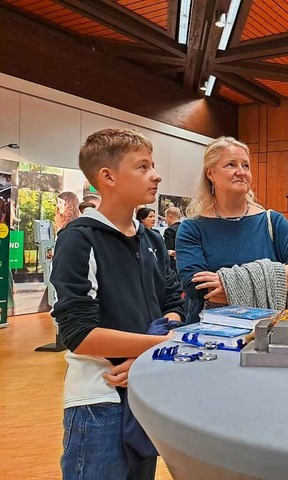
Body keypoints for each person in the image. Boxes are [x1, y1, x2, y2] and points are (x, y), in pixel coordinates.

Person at [50, 128, 185, 480]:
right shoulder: (78, 240)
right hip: (99, 400)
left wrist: (146, 356)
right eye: (142, 167)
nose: (155, 175)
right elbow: (79, 333)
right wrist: (160, 345)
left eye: (153, 165)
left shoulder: (153, 240)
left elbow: (173, 303)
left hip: (145, 392)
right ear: (107, 177)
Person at [175, 136, 288, 323]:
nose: (241, 172)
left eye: (245, 166)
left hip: (270, 334)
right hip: (211, 336)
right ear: (210, 173)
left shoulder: (273, 221)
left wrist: (228, 283)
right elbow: (197, 288)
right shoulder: (192, 228)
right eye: (231, 164)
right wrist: (272, 278)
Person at [163, 206, 182, 274]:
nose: (165, 220)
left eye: (166, 217)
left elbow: (168, 250)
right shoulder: (186, 229)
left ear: (170, 216)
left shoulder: (169, 231)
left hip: (174, 266)